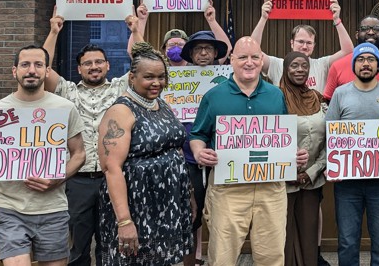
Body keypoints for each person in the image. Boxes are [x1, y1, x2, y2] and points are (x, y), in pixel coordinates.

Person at [0, 45, 86, 266]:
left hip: (53, 209)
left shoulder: (65, 108)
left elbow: (79, 154)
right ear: (15, 71)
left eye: (38, 65)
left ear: (47, 71)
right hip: (8, 207)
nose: (31, 70)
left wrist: (57, 178)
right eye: (25, 65)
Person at [189, 37, 309, 266]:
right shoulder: (213, 96)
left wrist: (295, 154)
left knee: (272, 256)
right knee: (222, 256)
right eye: (242, 57)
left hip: (270, 188)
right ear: (232, 60)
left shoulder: (276, 94)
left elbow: (283, 137)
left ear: (262, 59)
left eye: (255, 57)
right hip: (228, 188)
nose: (249, 62)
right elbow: (198, 135)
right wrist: (199, 152)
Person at [42, 8, 142, 266]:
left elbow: (143, 62)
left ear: (108, 65)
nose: (94, 66)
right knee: (78, 246)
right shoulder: (66, 91)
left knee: (111, 247)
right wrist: (54, 32)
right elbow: (43, 68)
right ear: (79, 68)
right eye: (88, 63)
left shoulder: (121, 88)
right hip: (79, 181)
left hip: (115, 180)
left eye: (99, 62)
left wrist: (136, 30)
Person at [97, 42, 194, 265]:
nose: (156, 83)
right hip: (138, 206)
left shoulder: (161, 104)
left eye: (161, 77)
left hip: (168, 204)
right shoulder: (121, 111)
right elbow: (111, 168)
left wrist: (187, 195)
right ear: (132, 77)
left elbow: (176, 151)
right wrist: (124, 221)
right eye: (149, 77)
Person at [326, 42, 379, 266]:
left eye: (371, 60)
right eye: (361, 60)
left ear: (378, 65)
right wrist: (333, 164)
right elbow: (330, 131)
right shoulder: (340, 94)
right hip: (347, 183)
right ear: (354, 64)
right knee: (347, 241)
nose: (365, 64)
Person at [178, 30, 230, 266]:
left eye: (208, 48)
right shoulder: (177, 80)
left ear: (217, 53)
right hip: (189, 159)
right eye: (197, 49)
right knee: (192, 215)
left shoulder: (229, 79)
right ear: (189, 54)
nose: (203, 53)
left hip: (224, 157)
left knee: (225, 217)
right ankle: (191, 261)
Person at [280, 51, 327, 266]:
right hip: (282, 183)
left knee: (309, 240)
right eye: (294, 66)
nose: (300, 70)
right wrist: (287, 170)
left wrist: (311, 172)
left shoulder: (317, 98)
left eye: (304, 66)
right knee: (283, 238)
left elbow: (330, 142)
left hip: (312, 181)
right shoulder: (275, 98)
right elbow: (268, 140)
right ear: (285, 69)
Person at [251, 0, 354, 91]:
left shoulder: (322, 65)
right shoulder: (277, 65)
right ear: (292, 43)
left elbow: (348, 51)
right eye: (300, 41)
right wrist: (263, 18)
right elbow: (252, 50)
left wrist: (337, 20)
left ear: (314, 46)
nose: (304, 46)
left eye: (309, 43)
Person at [323, 15, 379, 100]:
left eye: (377, 29)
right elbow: (328, 102)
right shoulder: (338, 66)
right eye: (365, 28)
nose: (371, 32)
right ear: (357, 35)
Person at [133, 0, 232, 67]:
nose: (176, 48)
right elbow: (135, 52)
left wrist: (212, 21)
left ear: (188, 50)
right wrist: (140, 23)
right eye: (171, 44)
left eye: (180, 44)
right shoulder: (159, 68)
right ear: (164, 49)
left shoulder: (200, 64)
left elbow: (227, 49)